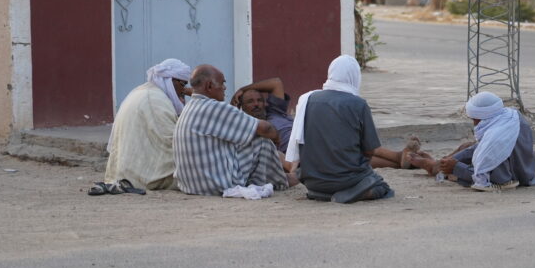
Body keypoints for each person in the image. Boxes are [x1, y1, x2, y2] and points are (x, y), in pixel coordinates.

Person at [232, 77, 425, 170]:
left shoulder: (275, 111)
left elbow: (276, 83)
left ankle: (400, 159)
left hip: (315, 136)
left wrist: (244, 89)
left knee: (352, 147)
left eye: (258, 100)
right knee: (351, 153)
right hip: (301, 154)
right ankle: (399, 158)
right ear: (242, 107)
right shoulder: (249, 125)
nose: (257, 104)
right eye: (250, 102)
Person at [287, 55, 394, 203]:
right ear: (355, 76)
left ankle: (323, 194)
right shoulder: (358, 104)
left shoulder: (308, 99)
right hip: (347, 180)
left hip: (312, 182)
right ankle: (350, 193)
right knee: (381, 187)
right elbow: (370, 150)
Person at [173, 64, 290, 196]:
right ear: (209, 86)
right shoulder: (214, 107)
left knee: (246, 138)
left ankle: (272, 179)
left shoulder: (189, 108)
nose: (224, 88)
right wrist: (276, 138)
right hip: (215, 186)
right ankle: (281, 182)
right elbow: (265, 129)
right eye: (222, 84)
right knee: (262, 141)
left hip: (190, 186)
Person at [409, 91, 535, 192]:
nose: (474, 125)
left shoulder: (496, 140)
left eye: (475, 120)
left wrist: (456, 168)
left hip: (513, 176)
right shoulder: (511, 116)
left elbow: (497, 179)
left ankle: (434, 167)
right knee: (467, 147)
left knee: (458, 164)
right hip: (526, 170)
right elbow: (480, 148)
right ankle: (437, 165)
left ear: (483, 117)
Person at [104, 58, 192, 190]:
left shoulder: (146, 92)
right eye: (183, 84)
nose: (184, 91)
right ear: (171, 80)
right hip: (142, 177)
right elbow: (174, 145)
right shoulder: (155, 101)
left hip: (125, 172)